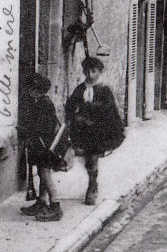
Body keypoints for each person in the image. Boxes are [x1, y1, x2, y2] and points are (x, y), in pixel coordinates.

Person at [65, 57, 125, 205]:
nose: (90, 75)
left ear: (100, 72)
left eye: (94, 71)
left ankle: (92, 186)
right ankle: (93, 181)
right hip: (83, 130)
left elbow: (109, 109)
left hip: (99, 130)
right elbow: (71, 105)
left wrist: (92, 108)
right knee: (87, 159)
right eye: (87, 72)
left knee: (93, 158)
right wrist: (73, 116)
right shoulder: (81, 89)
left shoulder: (104, 90)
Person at [19, 75, 63, 221]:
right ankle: (42, 201)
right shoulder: (43, 102)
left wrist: (25, 131)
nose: (29, 91)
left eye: (31, 89)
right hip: (44, 144)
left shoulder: (43, 104)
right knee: (43, 171)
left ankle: (55, 205)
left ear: (36, 90)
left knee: (44, 173)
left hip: (43, 145)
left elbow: (41, 127)